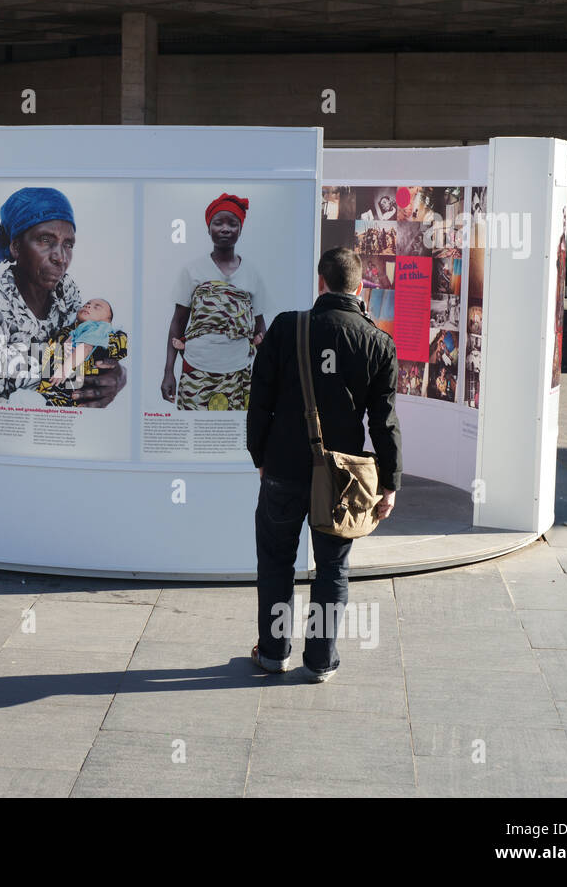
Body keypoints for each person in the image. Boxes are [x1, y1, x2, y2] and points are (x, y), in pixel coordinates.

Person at [246, 247, 402, 683]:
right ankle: (319, 661)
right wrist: (388, 483)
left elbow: (260, 400)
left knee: (277, 561)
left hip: (282, 467)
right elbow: (384, 422)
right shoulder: (378, 342)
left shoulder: (286, 327)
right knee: (332, 567)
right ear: (359, 288)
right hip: (341, 477)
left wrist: (260, 456)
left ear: (321, 282)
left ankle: (274, 652)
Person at [0, 186, 127, 407]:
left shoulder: (66, 289)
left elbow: (91, 335)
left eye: (68, 244)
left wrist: (114, 373)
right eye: (45, 240)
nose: (61, 258)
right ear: (16, 247)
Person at [162, 193, 268, 411]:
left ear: (241, 229)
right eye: (218, 223)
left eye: (233, 223)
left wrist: (265, 371)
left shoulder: (251, 273)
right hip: (196, 370)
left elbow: (259, 325)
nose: (225, 228)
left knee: (233, 437)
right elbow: (178, 322)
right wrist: (168, 372)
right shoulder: (192, 270)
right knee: (194, 436)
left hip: (238, 372)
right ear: (208, 228)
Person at [36, 298, 128, 407]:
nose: (88, 306)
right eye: (86, 304)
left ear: (107, 320)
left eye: (97, 307)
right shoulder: (77, 329)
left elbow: (86, 347)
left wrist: (65, 368)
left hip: (70, 377)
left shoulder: (98, 328)